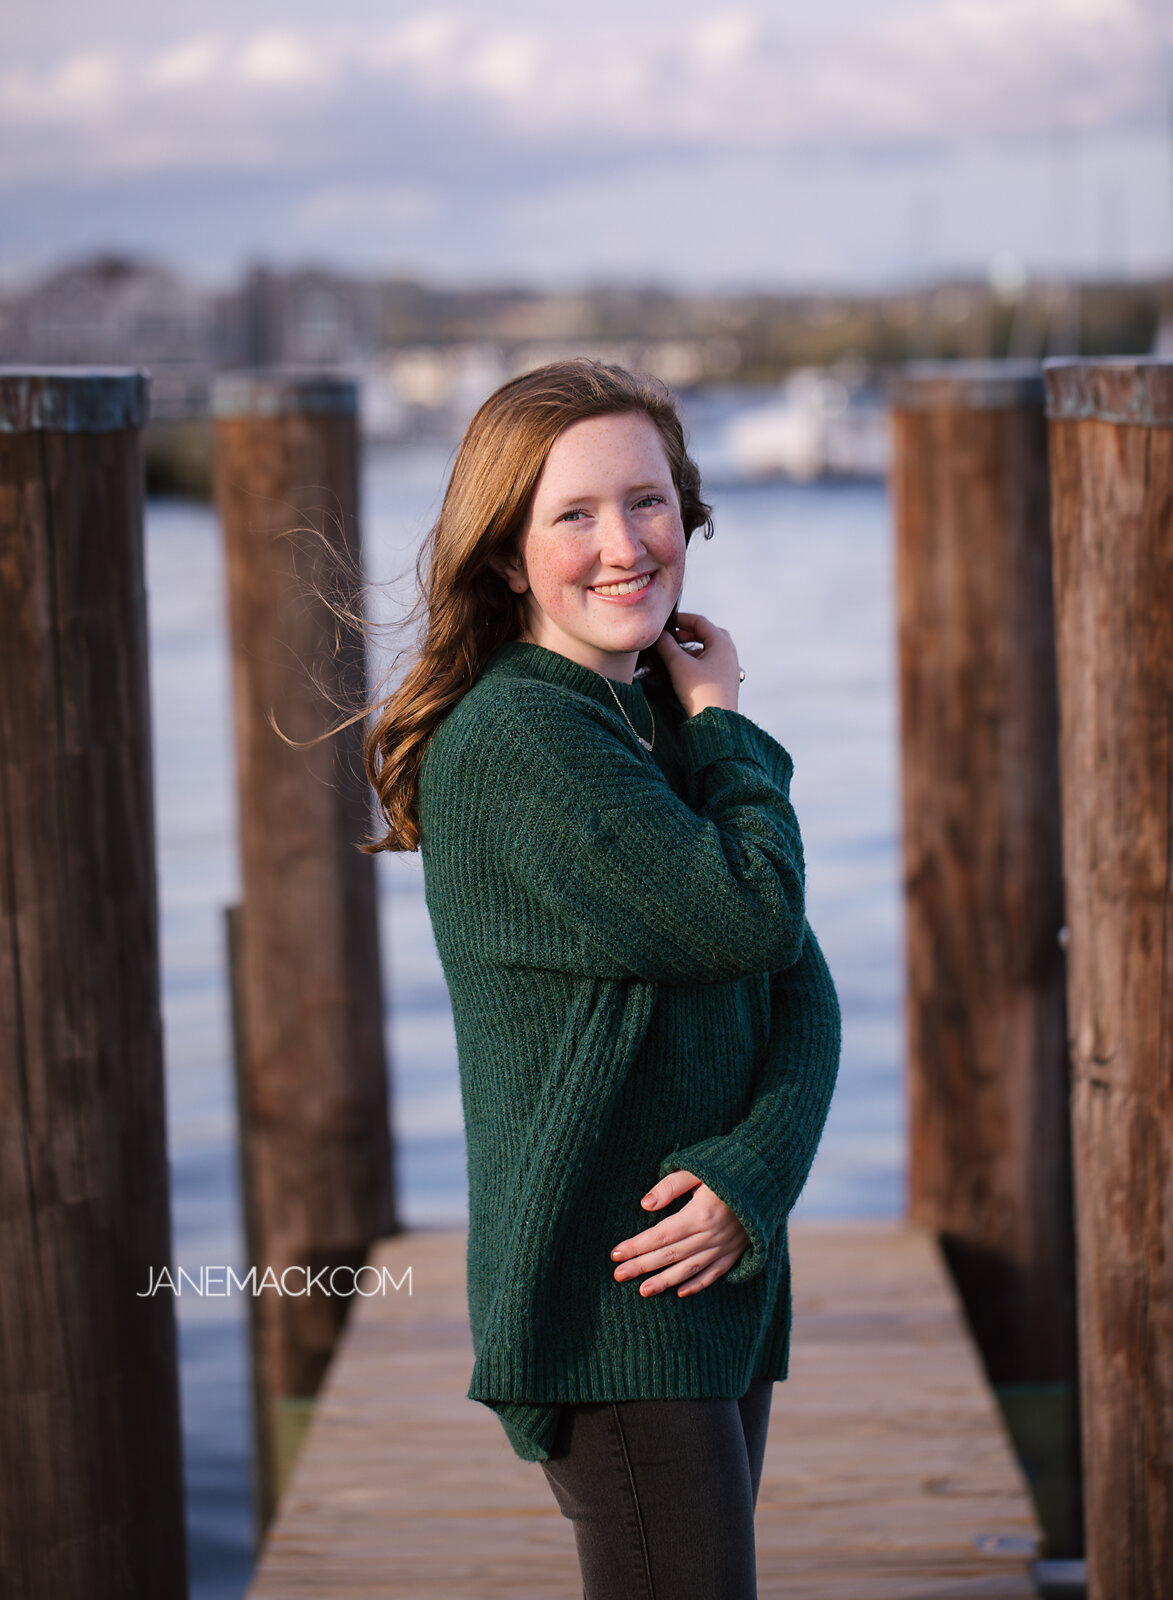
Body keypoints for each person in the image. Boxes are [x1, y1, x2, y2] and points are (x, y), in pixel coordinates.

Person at [363, 357, 841, 1599]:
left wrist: (755, 1177)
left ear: (686, 512)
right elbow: (754, 909)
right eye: (572, 514)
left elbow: (801, 982)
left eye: (646, 501)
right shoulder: (524, 739)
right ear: (510, 558)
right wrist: (727, 719)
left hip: (708, 1277)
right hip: (607, 1302)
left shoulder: (639, 720)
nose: (624, 542)